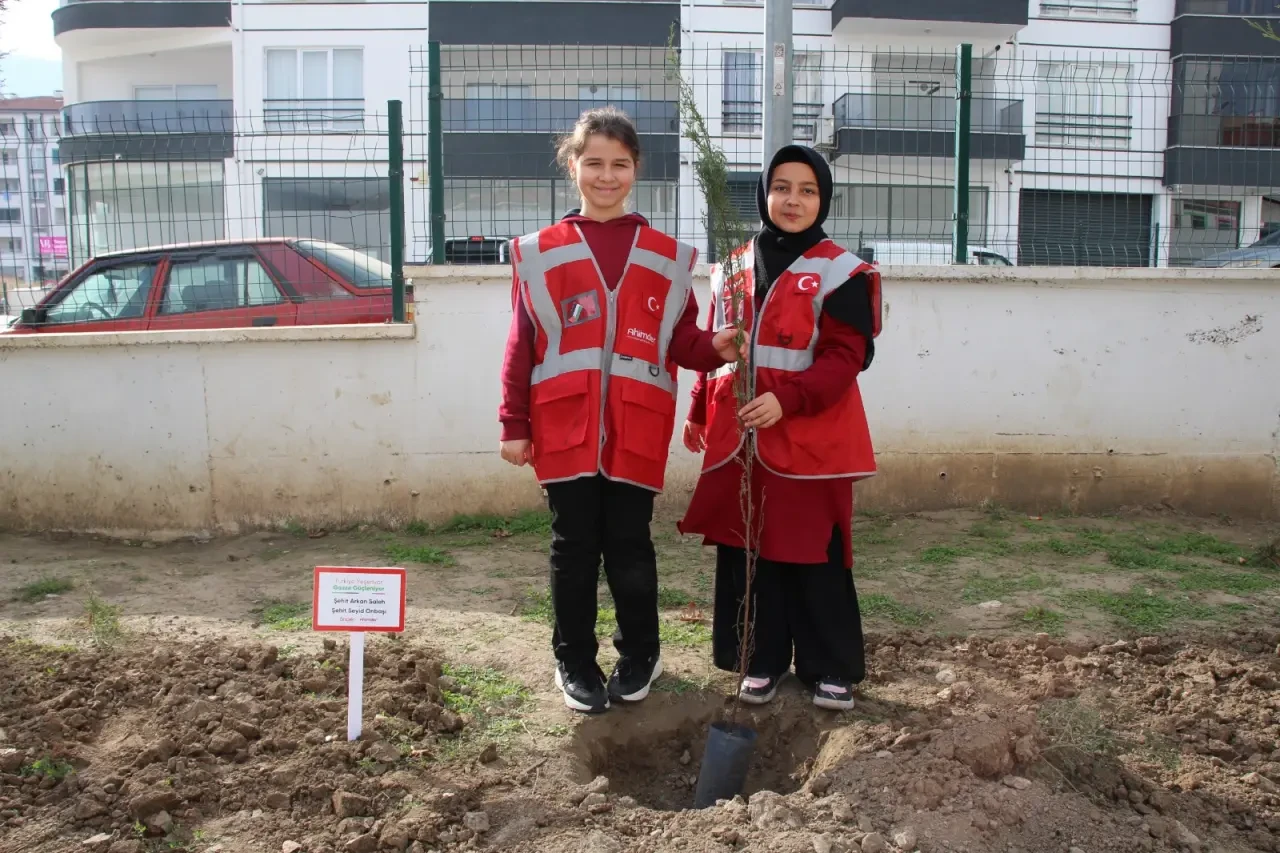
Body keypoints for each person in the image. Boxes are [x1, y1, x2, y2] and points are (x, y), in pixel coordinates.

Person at [498, 107, 741, 714]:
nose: (606, 176)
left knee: (630, 544)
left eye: (620, 164)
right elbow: (522, 343)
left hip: (636, 425)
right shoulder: (539, 252)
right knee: (573, 547)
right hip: (563, 426)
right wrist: (513, 424)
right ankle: (574, 661)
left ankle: (640, 655)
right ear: (572, 166)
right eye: (594, 163)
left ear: (636, 170)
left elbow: (681, 342)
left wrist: (715, 348)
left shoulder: (667, 257)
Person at [680, 144, 882, 712]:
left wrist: (787, 399)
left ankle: (828, 666)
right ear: (764, 193)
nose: (793, 200)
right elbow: (719, 347)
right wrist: (698, 408)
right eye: (782, 187)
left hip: (811, 436)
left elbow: (846, 358)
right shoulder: (732, 267)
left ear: (824, 200)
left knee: (814, 552)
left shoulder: (842, 271)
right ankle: (759, 659)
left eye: (808, 190)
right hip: (741, 436)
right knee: (749, 549)